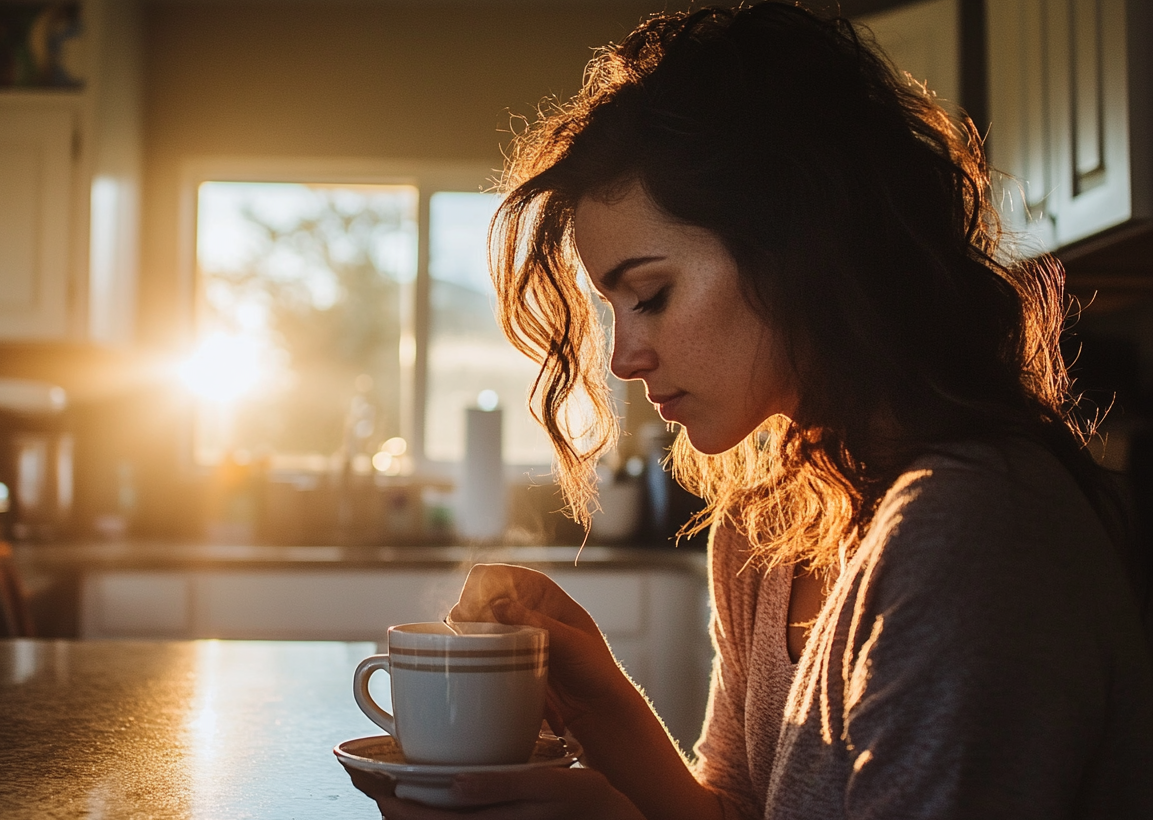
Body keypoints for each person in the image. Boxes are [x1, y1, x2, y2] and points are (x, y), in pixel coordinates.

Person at [347, 3, 1153, 817]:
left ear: (799, 244)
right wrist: (602, 708)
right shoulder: (768, 525)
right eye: (614, 310)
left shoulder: (973, 530)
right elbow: (738, 809)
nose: (624, 357)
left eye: (652, 295)